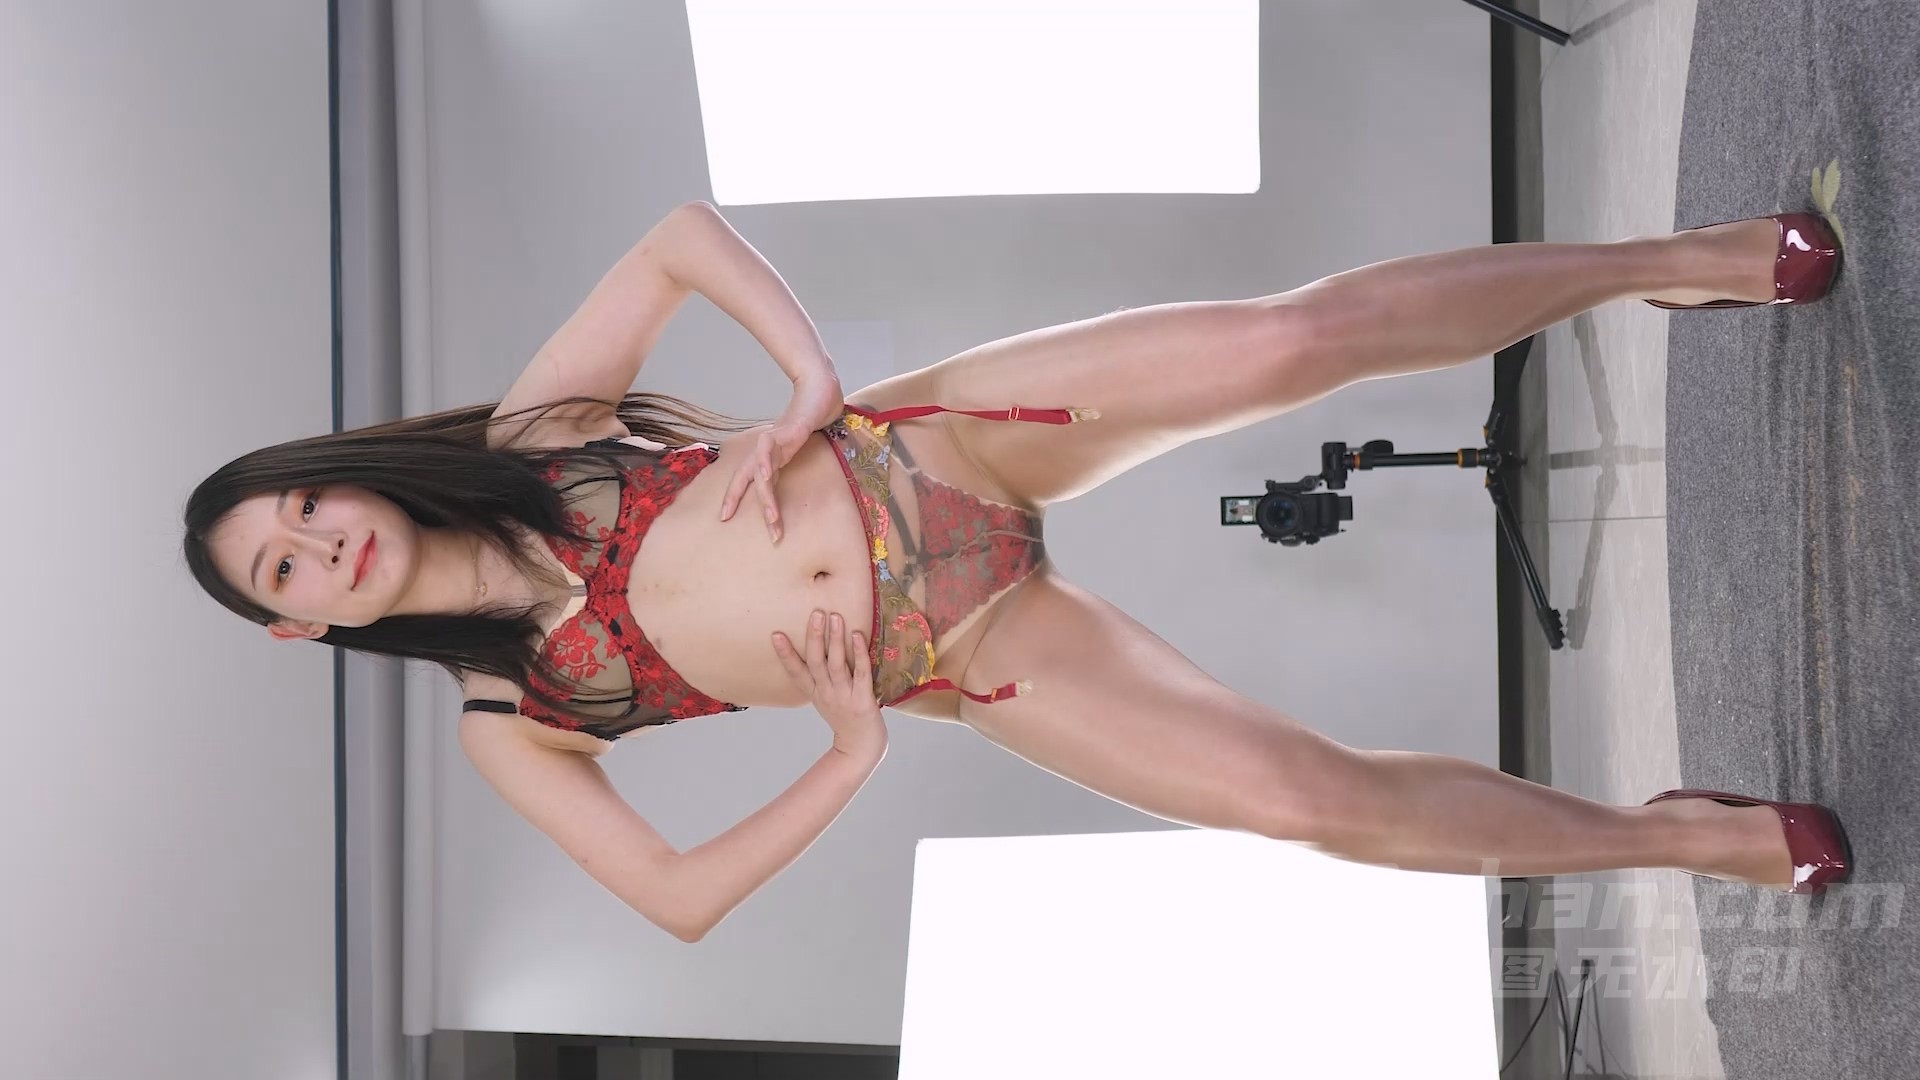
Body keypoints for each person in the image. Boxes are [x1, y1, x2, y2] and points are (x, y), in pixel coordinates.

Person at [184, 201, 1849, 943]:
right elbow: (677, 901)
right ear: (294, 625)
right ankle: (1684, 841)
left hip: (939, 445)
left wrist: (808, 387)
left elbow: (676, 238)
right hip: (965, 649)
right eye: (285, 568)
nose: (321, 542)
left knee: (1293, 343)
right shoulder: (511, 717)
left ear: (335, 473)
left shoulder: (537, 438)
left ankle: (1681, 259)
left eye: (301, 505)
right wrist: (848, 755)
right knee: (1305, 802)